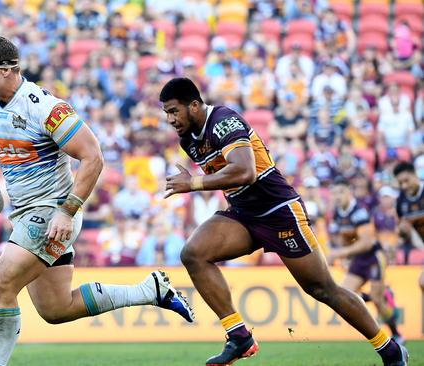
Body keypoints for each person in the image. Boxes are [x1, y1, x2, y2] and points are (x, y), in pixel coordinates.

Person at [0, 36, 193, 366]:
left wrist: (67, 211)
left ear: (7, 70)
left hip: (53, 212)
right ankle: (150, 291)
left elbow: (92, 156)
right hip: (24, 214)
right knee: (56, 309)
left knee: (0, 284)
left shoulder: (45, 108)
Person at [159, 77, 408, 366]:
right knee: (193, 253)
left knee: (322, 289)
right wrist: (199, 184)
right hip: (244, 214)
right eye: (166, 113)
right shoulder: (188, 139)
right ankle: (238, 336)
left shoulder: (223, 121)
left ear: (193, 105)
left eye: (173, 111)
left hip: (279, 210)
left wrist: (194, 183)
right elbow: (229, 180)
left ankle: (389, 350)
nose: (169, 119)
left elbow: (245, 172)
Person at [328, 178, 402, 344]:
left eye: (340, 192)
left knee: (377, 301)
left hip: (373, 257)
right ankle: (384, 293)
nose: (337, 197)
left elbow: (366, 242)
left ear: (348, 192)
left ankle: (397, 334)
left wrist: (341, 253)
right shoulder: (337, 213)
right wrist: (345, 256)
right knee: (343, 295)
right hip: (358, 259)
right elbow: (342, 238)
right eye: (334, 193)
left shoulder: (359, 212)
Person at [393, 162, 424, 292]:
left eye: (407, 180)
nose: (404, 185)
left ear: (415, 174)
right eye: (400, 183)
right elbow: (401, 229)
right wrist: (402, 231)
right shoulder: (401, 201)